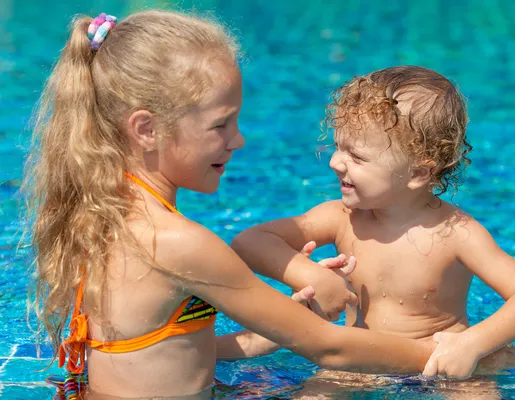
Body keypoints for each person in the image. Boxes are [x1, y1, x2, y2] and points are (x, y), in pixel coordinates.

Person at [22, 12, 487, 400]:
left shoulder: (104, 213)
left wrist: (273, 330)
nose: (238, 140)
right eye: (221, 125)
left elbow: (168, 347)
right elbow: (330, 349)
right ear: (146, 129)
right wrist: (457, 353)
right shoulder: (179, 242)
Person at [232, 65, 515, 381]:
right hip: (358, 366)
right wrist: (310, 274)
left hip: (440, 366)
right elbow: (251, 241)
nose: (334, 162)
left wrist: (473, 344)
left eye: (356, 156)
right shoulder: (341, 218)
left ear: (417, 174)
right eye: (337, 147)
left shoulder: (457, 233)